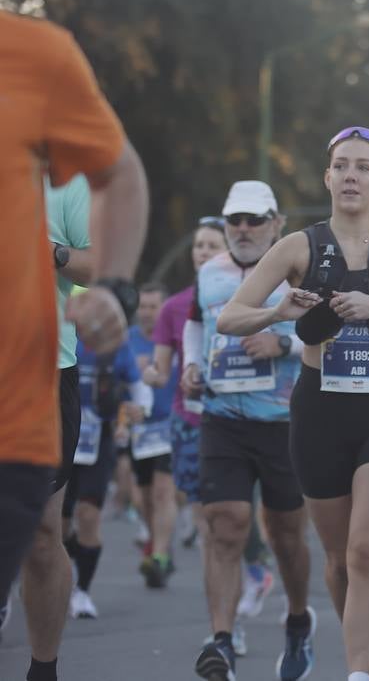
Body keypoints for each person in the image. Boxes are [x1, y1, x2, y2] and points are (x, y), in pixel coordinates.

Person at [218, 128, 369, 681]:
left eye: (363, 167)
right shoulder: (297, 246)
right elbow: (231, 318)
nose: (352, 175)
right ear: (328, 178)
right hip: (320, 411)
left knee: (368, 549)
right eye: (343, 166)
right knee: (339, 559)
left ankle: (358, 673)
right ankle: (362, 644)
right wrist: (278, 313)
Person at [0, 14, 149, 681]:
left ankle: (43, 668)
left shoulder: (36, 58)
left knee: (41, 534)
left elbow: (122, 180)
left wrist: (108, 285)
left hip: (34, 371)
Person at [183, 181, 315, 681]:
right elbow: (196, 324)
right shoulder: (209, 271)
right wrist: (191, 365)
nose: (242, 229)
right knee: (226, 523)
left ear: (275, 223)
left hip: (284, 420)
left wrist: (282, 346)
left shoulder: (299, 269)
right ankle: (221, 640)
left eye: (254, 220)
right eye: (234, 220)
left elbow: (330, 336)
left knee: (285, 535)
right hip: (222, 415)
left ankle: (298, 619)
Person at [150, 219, 227, 554]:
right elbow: (160, 370)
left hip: (235, 415)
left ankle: (255, 562)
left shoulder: (247, 298)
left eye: (212, 245)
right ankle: (219, 574)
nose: (203, 252)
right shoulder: (173, 307)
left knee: (234, 511)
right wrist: (149, 375)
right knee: (204, 514)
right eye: (199, 245)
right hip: (190, 419)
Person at [64, 333, 148, 618]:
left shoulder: (117, 345)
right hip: (61, 437)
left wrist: (141, 409)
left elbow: (139, 387)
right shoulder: (60, 334)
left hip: (99, 441)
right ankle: (67, 563)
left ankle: (82, 591)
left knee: (88, 515)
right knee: (58, 527)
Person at [127, 281, 177, 587]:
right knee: (142, 496)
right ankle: (156, 541)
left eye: (152, 306)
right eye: (142, 306)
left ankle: (159, 554)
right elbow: (116, 377)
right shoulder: (128, 340)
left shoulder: (174, 338)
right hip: (139, 430)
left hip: (170, 425)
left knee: (162, 491)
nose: (146, 312)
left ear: (164, 308)